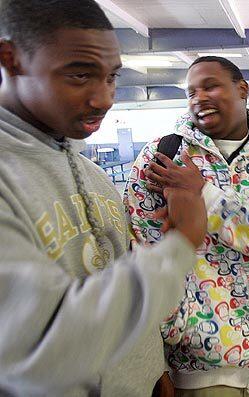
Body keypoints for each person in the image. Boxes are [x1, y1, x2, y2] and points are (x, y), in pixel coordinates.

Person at [0, 1, 207, 395]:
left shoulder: (92, 174)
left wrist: (151, 369)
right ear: (11, 59)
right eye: (80, 75)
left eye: (111, 77)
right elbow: (41, 349)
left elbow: (118, 270)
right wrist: (182, 242)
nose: (104, 98)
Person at [124, 56, 249, 396]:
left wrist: (205, 195)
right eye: (191, 92)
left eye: (210, 86)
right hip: (200, 359)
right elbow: (143, 252)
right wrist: (179, 331)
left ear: (242, 90)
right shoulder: (164, 157)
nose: (199, 98)